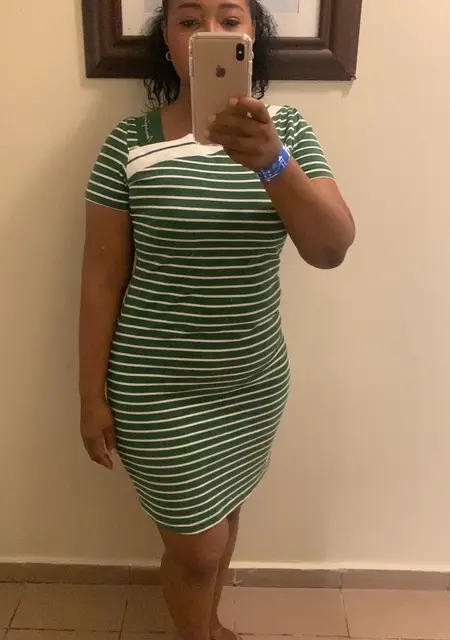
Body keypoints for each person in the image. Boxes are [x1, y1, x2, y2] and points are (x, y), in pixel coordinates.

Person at [79, 0, 355, 637]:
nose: (209, 32)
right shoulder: (129, 143)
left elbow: (331, 248)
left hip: (253, 383)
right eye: (189, 19)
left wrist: (273, 161)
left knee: (225, 512)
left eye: (230, 20)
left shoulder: (287, 133)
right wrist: (90, 396)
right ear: (167, 42)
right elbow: (101, 278)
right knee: (198, 550)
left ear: (252, 38)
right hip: (157, 387)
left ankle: (209, 625)